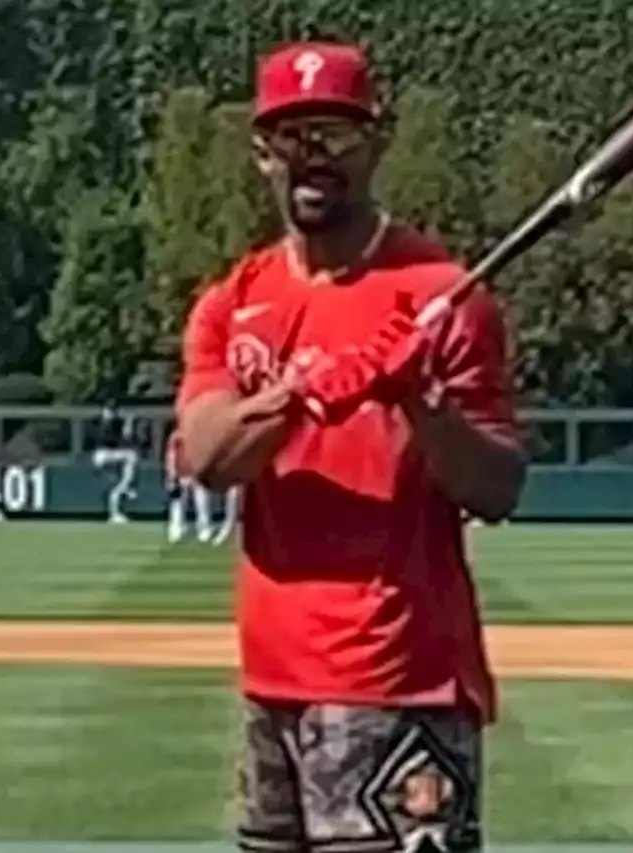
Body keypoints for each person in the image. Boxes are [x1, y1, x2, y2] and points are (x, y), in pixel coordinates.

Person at [176, 41, 526, 853]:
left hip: (401, 677)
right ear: (262, 152)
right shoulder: (235, 301)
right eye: (292, 136)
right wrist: (301, 389)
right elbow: (209, 456)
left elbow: (500, 487)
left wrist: (418, 400)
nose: (313, 157)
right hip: (272, 682)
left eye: (334, 133)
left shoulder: (445, 296)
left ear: (374, 143)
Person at [165, 423, 242, 544]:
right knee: (178, 500)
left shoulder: (198, 436)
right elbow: (171, 456)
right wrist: (172, 475)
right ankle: (177, 528)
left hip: (196, 472)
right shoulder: (176, 436)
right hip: (181, 472)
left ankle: (204, 528)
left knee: (201, 500)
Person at [91, 401, 140, 524]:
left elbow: (126, 437)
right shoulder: (99, 422)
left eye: (114, 410)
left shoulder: (116, 422)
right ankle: (126, 487)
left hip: (112, 455)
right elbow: (107, 440)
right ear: (104, 410)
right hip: (101, 455)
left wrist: (129, 422)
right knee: (131, 456)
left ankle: (116, 509)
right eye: (109, 410)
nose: (112, 413)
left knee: (130, 459)